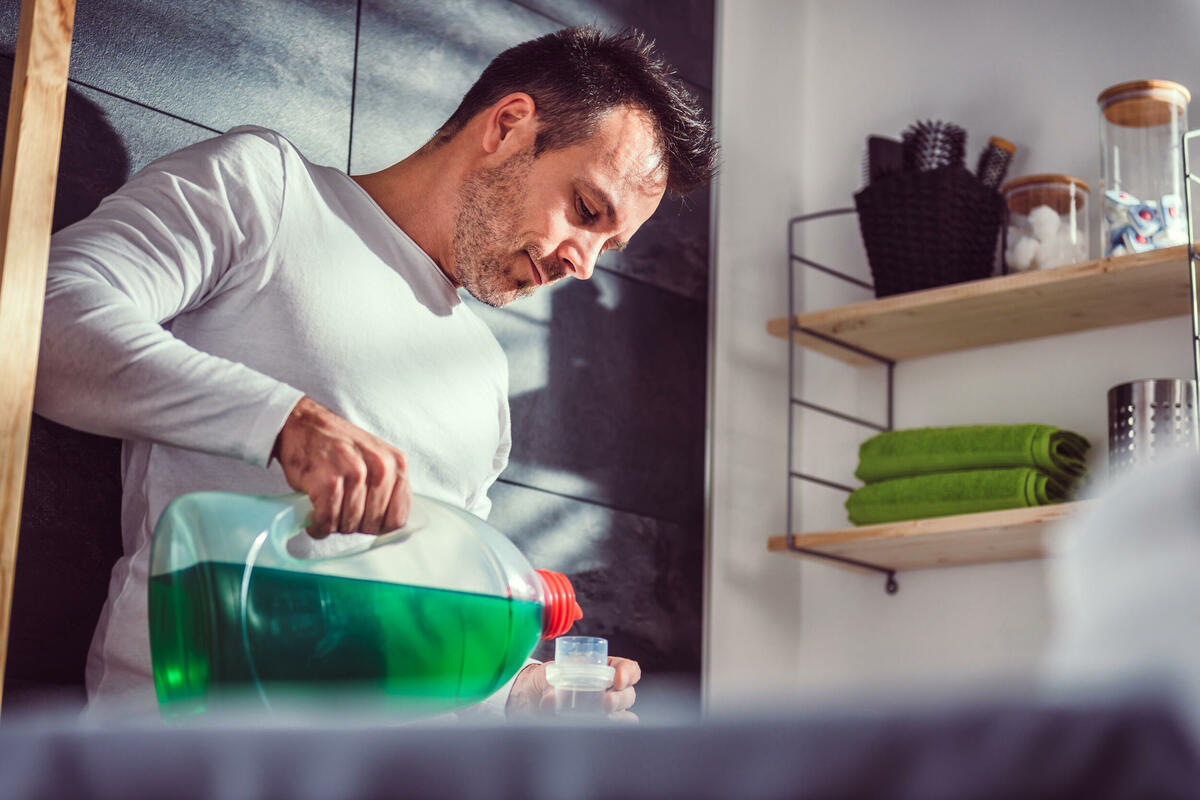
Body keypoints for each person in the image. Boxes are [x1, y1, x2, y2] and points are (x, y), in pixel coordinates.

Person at [33, 26, 718, 717]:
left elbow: (424, 623)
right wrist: (284, 422)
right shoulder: (271, 192)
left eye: (608, 245)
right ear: (508, 126)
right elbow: (42, 317)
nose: (584, 263)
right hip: (180, 751)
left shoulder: (482, 371)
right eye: (586, 210)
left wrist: (520, 695)